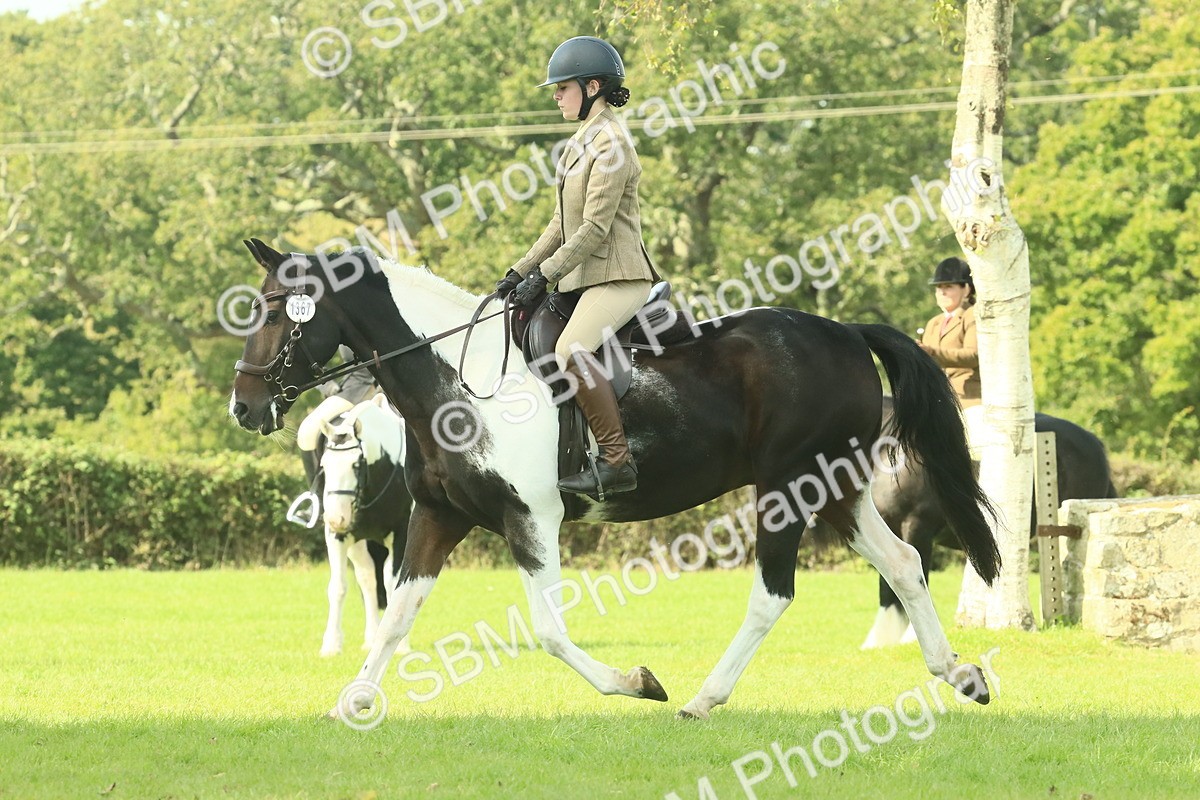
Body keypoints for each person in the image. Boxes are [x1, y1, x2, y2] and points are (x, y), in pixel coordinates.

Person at [496, 36, 658, 497]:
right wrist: (520, 270)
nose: (555, 95)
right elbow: (559, 224)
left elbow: (593, 230)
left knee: (570, 349)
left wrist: (544, 276)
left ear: (592, 87)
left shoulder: (612, 143)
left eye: (561, 87)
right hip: (584, 277)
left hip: (621, 277)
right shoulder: (578, 143)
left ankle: (615, 460)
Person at [918, 256, 984, 455]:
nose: (942, 292)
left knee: (975, 451)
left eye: (949, 286)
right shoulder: (933, 323)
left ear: (966, 289)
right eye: (939, 288)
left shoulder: (973, 315)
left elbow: (973, 355)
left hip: (969, 399)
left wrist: (932, 353)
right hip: (938, 400)